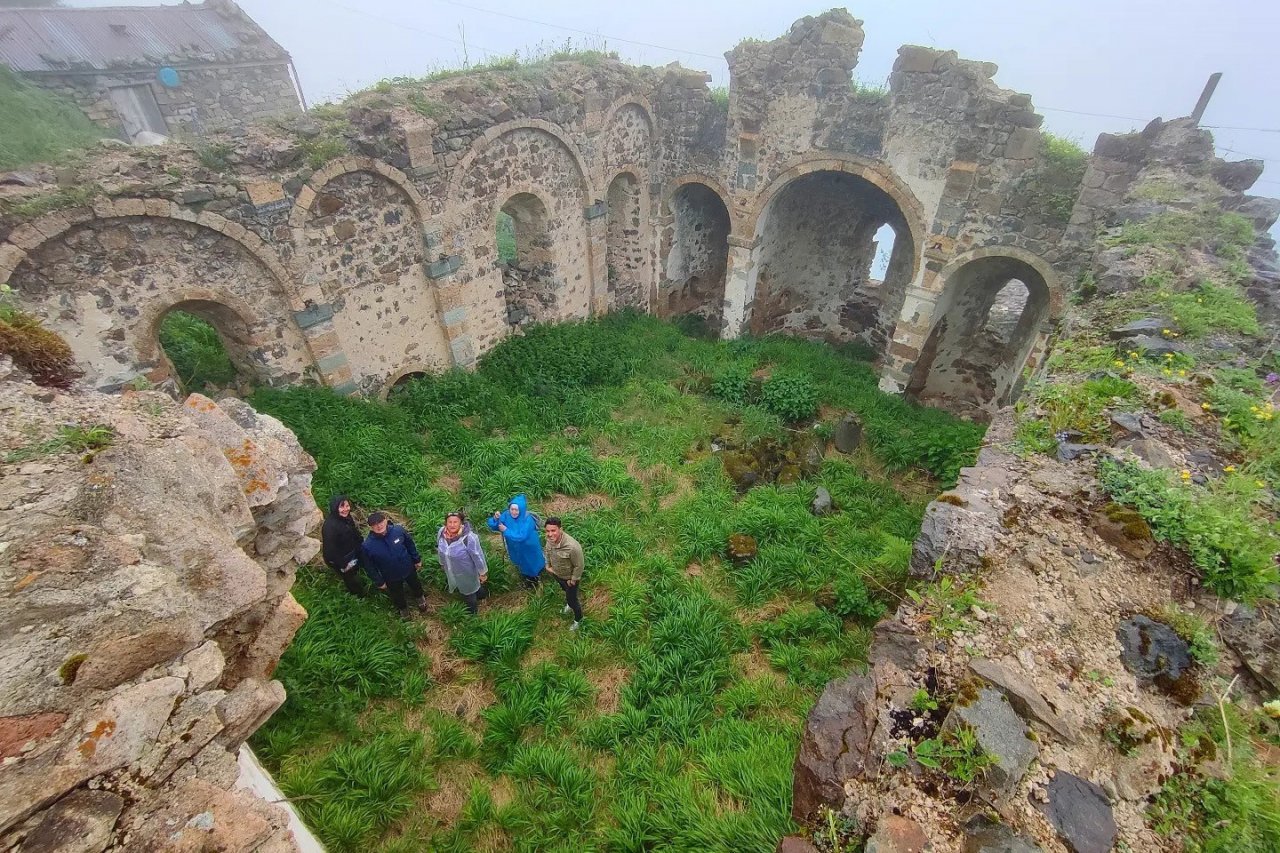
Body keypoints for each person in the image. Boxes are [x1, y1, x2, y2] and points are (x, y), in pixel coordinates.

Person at [362, 511, 428, 618]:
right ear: (370, 527)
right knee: (396, 594)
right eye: (375, 524)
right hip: (390, 576)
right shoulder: (367, 545)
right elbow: (369, 566)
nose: (379, 526)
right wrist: (379, 581)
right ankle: (403, 609)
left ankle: (420, 597)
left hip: (408, 567)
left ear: (386, 520)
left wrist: (416, 559)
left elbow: (410, 544)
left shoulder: (398, 530)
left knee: (415, 584)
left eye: (381, 522)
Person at [436, 511, 490, 615]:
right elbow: (440, 550)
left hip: (467, 571)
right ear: (445, 523)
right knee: (471, 587)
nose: (452, 525)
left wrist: (482, 572)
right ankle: (482, 594)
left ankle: (472, 614)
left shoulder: (469, 538)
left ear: (461, 523)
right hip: (452, 569)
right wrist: (442, 563)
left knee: (469, 592)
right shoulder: (442, 533)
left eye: (455, 522)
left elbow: (477, 556)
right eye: (449, 522)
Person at [487, 494, 545, 588]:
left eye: (516, 510)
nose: (513, 512)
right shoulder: (506, 515)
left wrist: (506, 530)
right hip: (515, 547)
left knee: (531, 564)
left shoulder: (528, 520)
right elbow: (495, 525)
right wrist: (495, 519)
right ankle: (527, 578)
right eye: (512, 509)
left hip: (528, 547)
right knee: (520, 563)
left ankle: (534, 582)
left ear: (521, 509)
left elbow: (521, 536)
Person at [543, 516, 584, 631]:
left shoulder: (572, 547)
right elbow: (547, 551)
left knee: (572, 600)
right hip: (557, 574)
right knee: (565, 591)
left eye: (553, 530)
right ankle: (569, 604)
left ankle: (578, 619)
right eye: (547, 531)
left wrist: (573, 580)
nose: (550, 534)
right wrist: (547, 566)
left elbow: (579, 566)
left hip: (569, 579)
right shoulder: (549, 540)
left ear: (560, 529)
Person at [320, 494, 365, 597]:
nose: (346, 509)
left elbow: (353, 531)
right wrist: (344, 565)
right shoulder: (330, 527)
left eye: (347, 506)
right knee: (350, 578)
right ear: (335, 508)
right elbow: (330, 551)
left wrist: (361, 542)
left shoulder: (346, 517)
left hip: (352, 550)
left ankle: (359, 573)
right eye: (342, 506)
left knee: (357, 568)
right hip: (341, 558)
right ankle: (358, 595)